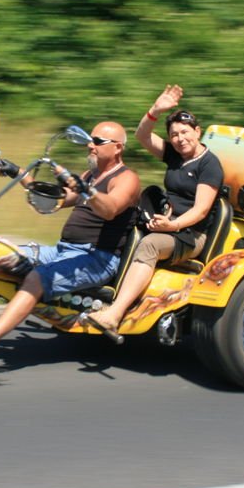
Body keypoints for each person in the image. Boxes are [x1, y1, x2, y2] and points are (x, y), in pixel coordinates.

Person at [0, 121, 141, 363]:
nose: (90, 145)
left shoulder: (126, 178)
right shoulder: (89, 176)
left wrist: (85, 189)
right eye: (90, 139)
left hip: (96, 259)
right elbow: (51, 198)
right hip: (63, 250)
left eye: (98, 142)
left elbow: (110, 209)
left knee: (36, 278)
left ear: (118, 148)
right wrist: (16, 172)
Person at [87, 85, 224, 333]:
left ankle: (114, 314)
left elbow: (201, 211)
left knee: (150, 244)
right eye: (174, 134)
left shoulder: (209, 165)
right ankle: (96, 292)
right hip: (166, 223)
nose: (180, 139)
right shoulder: (175, 155)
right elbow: (142, 136)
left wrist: (172, 226)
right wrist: (155, 110)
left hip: (191, 234)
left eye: (185, 132)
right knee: (123, 221)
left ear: (198, 132)